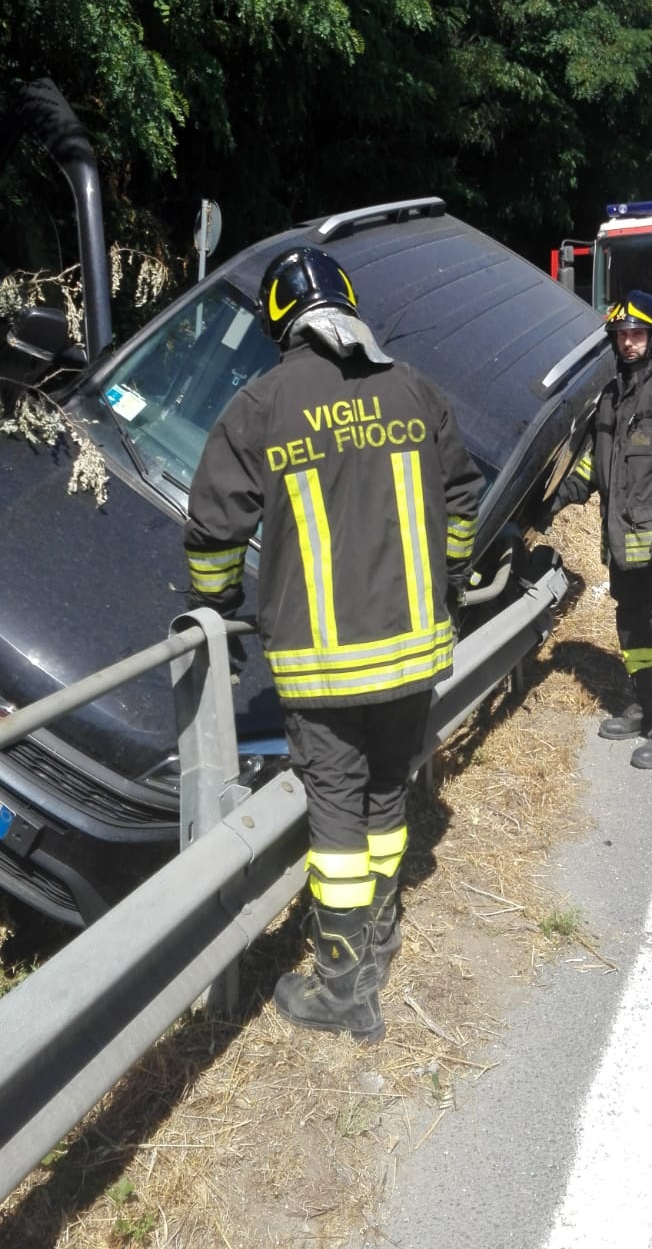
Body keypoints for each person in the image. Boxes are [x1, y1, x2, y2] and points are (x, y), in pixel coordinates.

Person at [183, 247, 483, 1043]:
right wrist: (450, 576)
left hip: (323, 668)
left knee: (338, 818)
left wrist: (214, 609)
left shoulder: (264, 404)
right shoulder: (415, 388)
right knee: (386, 798)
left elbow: (215, 528)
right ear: (349, 304)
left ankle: (344, 989)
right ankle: (378, 942)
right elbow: (463, 497)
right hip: (415, 654)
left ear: (281, 320)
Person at [545, 290, 652, 771]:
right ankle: (645, 707)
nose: (628, 344)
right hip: (622, 543)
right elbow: (592, 464)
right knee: (634, 626)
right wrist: (556, 498)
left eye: (637, 334)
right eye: (621, 336)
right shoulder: (612, 396)